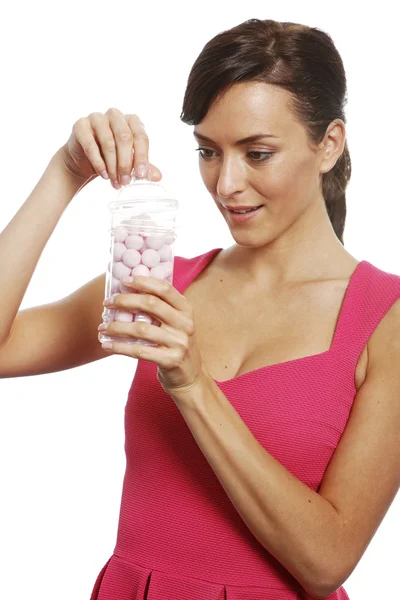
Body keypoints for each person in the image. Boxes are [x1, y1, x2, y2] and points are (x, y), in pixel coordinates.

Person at [1, 17, 399, 600]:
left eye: (257, 153)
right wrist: (64, 173)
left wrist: (192, 384)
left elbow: (326, 561)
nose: (226, 183)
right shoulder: (162, 284)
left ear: (328, 144)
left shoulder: (385, 320)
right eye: (209, 151)